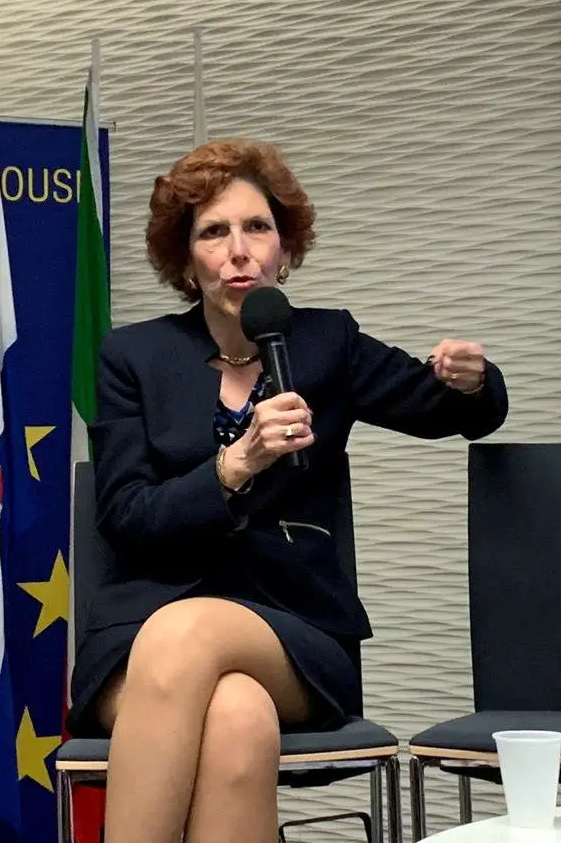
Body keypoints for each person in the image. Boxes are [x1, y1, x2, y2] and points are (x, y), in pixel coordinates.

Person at [67, 139, 509, 843]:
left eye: (257, 227)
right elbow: (125, 517)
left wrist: (472, 380)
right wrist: (232, 463)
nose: (238, 250)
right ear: (185, 259)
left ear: (284, 247)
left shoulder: (324, 342)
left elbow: (449, 411)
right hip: (143, 635)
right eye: (213, 232)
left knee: (194, 640)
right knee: (235, 711)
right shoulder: (133, 357)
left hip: (292, 628)